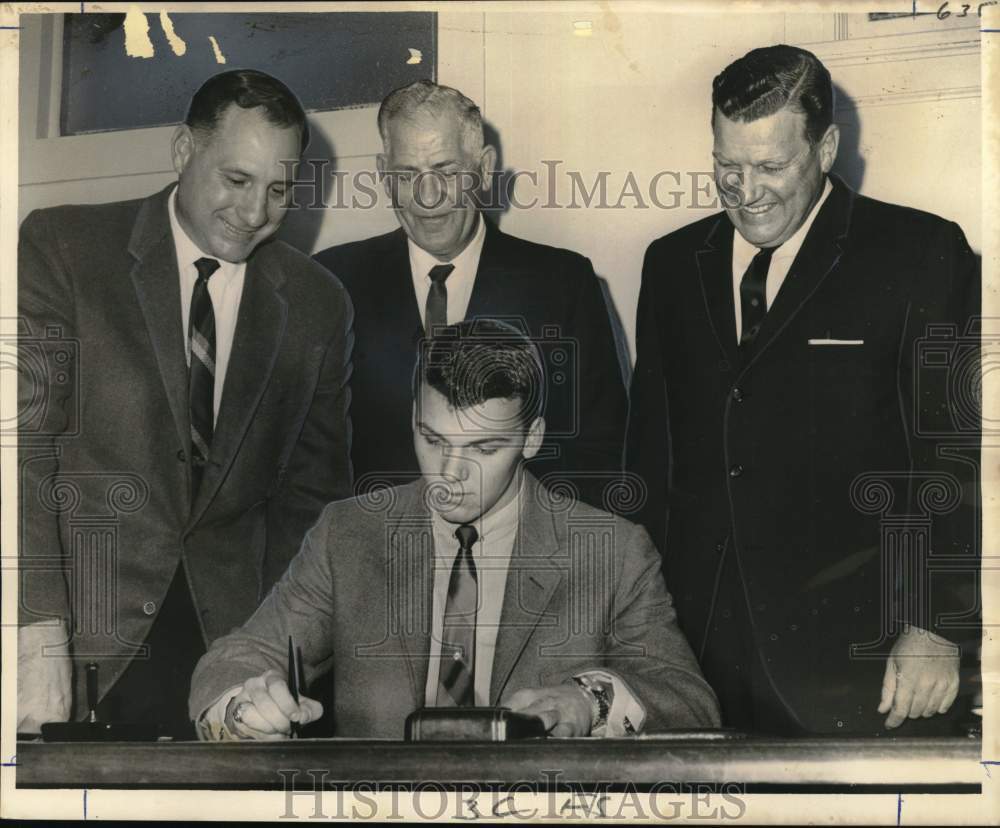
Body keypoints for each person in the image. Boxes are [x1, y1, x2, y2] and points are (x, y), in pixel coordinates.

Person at [626, 45, 980, 735]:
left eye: (769, 166)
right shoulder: (669, 265)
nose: (746, 191)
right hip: (698, 656)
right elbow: (652, 457)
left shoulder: (921, 253)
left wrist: (937, 626)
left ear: (826, 148)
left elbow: (957, 457)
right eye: (727, 167)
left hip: (864, 654)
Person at [17, 69, 354, 737]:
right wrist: (35, 630)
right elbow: (22, 455)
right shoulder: (64, 248)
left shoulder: (319, 304)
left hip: (230, 665)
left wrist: (274, 664)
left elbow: (312, 509)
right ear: (182, 151)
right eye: (237, 180)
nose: (256, 212)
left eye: (279, 190)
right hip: (77, 648)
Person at [190, 320, 718, 739]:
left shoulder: (612, 551)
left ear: (532, 438)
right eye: (433, 439)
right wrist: (241, 708)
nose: (449, 475)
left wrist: (589, 701)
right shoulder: (348, 534)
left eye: (483, 449)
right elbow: (236, 658)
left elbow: (688, 700)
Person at [314, 80, 626, 510]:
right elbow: (310, 458)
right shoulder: (333, 279)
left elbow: (597, 449)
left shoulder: (562, 282)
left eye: (444, 170)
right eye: (407, 175)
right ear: (383, 173)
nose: (427, 197)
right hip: (373, 555)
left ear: (483, 167)